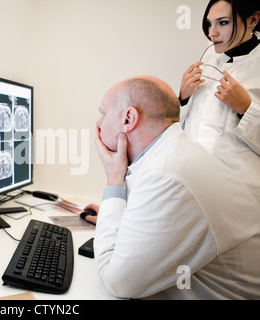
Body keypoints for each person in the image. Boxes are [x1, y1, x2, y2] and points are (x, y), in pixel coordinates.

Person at [86, 76, 260, 299]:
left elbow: (118, 283)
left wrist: (113, 180)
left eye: (103, 113)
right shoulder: (173, 153)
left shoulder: (166, 175)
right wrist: (119, 211)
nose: (98, 124)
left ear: (128, 118)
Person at [179, 0, 260, 202]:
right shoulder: (206, 60)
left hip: (240, 194)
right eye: (209, 23)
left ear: (253, 19)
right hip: (192, 184)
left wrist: (246, 109)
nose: (212, 32)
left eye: (223, 23)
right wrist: (182, 97)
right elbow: (177, 128)